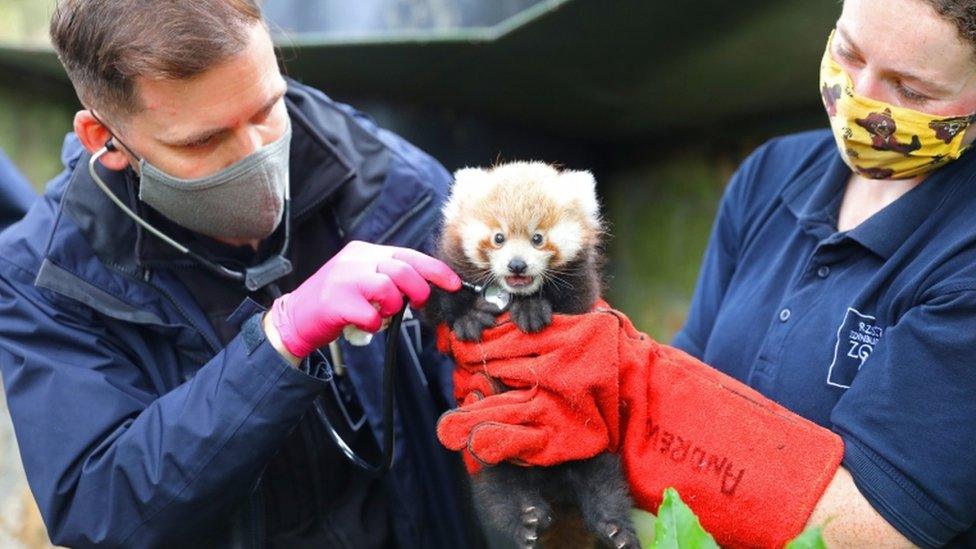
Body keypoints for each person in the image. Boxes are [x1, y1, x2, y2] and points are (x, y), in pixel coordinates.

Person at [435, 0, 976, 547]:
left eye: (911, 91)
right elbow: (693, 365)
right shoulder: (770, 175)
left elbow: (881, 531)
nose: (861, 97)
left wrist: (632, 389)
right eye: (848, 52)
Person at [0, 1, 485, 547]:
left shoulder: (391, 183)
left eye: (266, 110)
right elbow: (98, 507)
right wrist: (278, 344)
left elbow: (470, 385)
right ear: (102, 139)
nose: (255, 155)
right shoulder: (48, 276)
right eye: (201, 141)